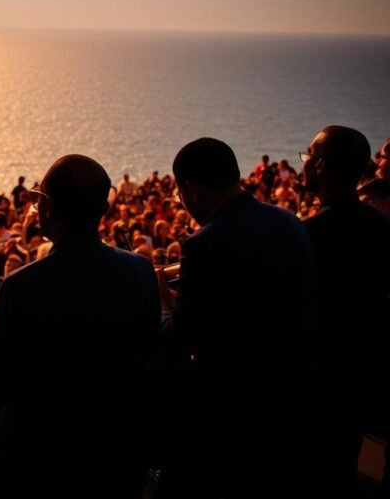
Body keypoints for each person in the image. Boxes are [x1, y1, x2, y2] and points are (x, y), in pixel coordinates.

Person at [0, 155, 159, 497]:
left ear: (48, 209)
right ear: (102, 211)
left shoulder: (21, 286)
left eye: (38, 199)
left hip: (38, 472)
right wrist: (4, 311)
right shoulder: (140, 271)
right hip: (115, 460)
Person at [156, 138, 321, 498]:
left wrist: (165, 303)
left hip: (234, 411)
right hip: (296, 395)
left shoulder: (203, 244)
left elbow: (183, 337)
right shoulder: (290, 221)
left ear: (191, 190)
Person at [300, 126, 390, 495]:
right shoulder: (382, 227)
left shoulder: (308, 234)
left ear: (320, 165)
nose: (304, 164)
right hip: (366, 374)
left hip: (318, 378)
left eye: (308, 156)